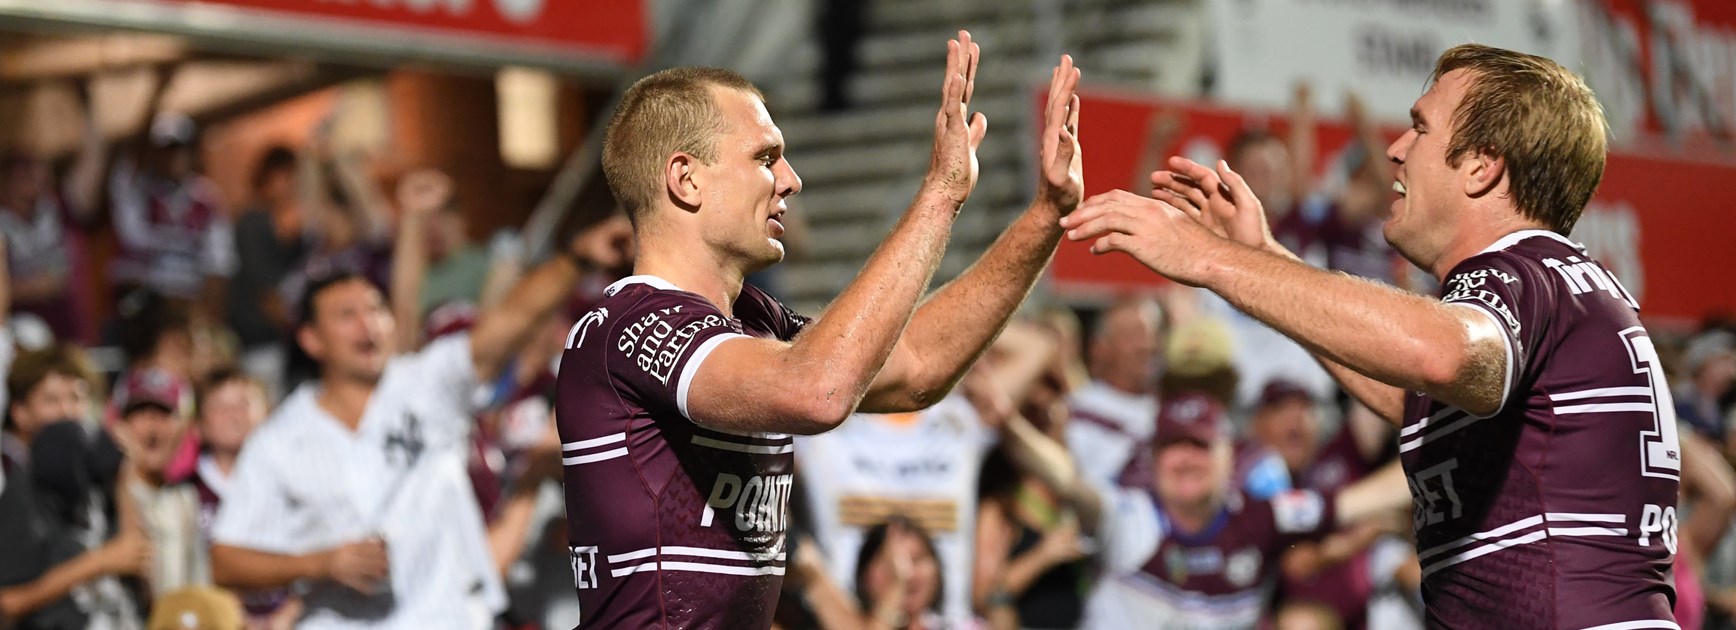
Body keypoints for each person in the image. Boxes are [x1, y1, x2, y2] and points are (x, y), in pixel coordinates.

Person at [1084, 43, 1676, 626]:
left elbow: (1442, 355)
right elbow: (1418, 394)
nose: (1395, 149)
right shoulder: (1557, 282)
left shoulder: (1519, 271)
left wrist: (1208, 259)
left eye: (1420, 129)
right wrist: (1263, 256)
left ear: (1481, 166)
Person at [555, 32, 1084, 628]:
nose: (791, 180)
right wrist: (939, 194)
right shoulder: (630, 327)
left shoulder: (755, 320)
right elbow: (819, 390)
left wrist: (1046, 216)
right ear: (687, 179)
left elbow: (917, 367)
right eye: (765, 158)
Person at [208, 214, 626, 628]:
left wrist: (577, 258)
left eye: (376, 309)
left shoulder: (426, 383)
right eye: (347, 315)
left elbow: (508, 321)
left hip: (446, 618)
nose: (367, 324)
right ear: (311, 339)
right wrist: (319, 563)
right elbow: (225, 561)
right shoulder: (279, 438)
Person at [995, 393, 1408, 629]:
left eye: (1200, 445)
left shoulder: (1262, 517)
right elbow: (1068, 481)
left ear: (1229, 456)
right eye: (1172, 446)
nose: (1186, 459)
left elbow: (1365, 499)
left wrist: (1436, 448)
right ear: (1153, 459)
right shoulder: (1129, 515)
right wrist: (1007, 422)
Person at [226, 146, 310, 399]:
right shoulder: (253, 222)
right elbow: (267, 291)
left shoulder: (296, 227)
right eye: (290, 176)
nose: (294, 186)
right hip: (261, 344)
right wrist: (304, 332)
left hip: (287, 344)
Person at [1064, 297, 1163, 486]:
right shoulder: (1076, 413)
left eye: (1154, 334)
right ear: (1100, 348)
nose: (1148, 345)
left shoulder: (1176, 408)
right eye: (1134, 335)